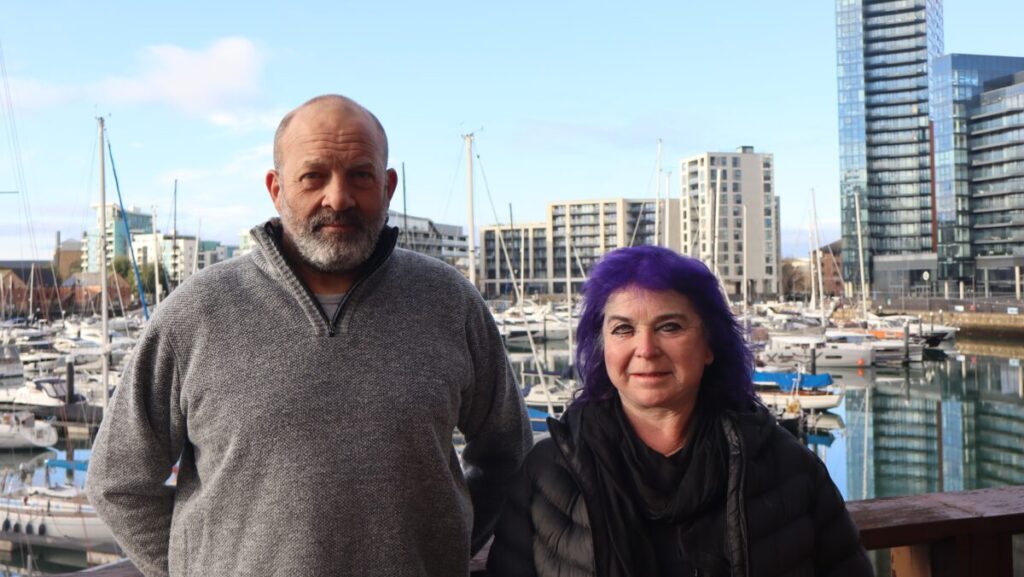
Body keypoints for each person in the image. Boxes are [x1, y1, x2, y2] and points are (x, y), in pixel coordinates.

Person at [86, 94, 532, 577]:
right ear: (277, 189)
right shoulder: (196, 312)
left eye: (360, 175)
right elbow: (119, 480)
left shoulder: (451, 302)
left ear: (388, 187)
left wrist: (444, 547)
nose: (337, 198)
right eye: (313, 176)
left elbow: (508, 455)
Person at [487, 246, 872, 577]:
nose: (646, 348)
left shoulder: (788, 468)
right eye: (623, 329)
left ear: (709, 346)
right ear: (602, 347)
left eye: (669, 326)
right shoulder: (548, 475)